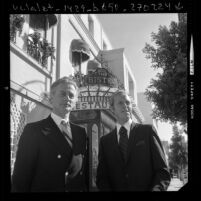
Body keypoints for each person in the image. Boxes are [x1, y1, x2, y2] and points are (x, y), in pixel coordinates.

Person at [11, 76, 88, 192]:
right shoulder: (33, 131)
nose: (67, 98)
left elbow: (83, 173)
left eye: (71, 95)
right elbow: (21, 177)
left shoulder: (81, 133)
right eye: (62, 94)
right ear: (51, 99)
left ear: (75, 102)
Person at [96, 90, 171, 191]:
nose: (125, 105)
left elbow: (162, 171)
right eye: (120, 103)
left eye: (127, 102)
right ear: (112, 109)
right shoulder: (105, 142)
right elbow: (102, 178)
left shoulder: (147, 131)